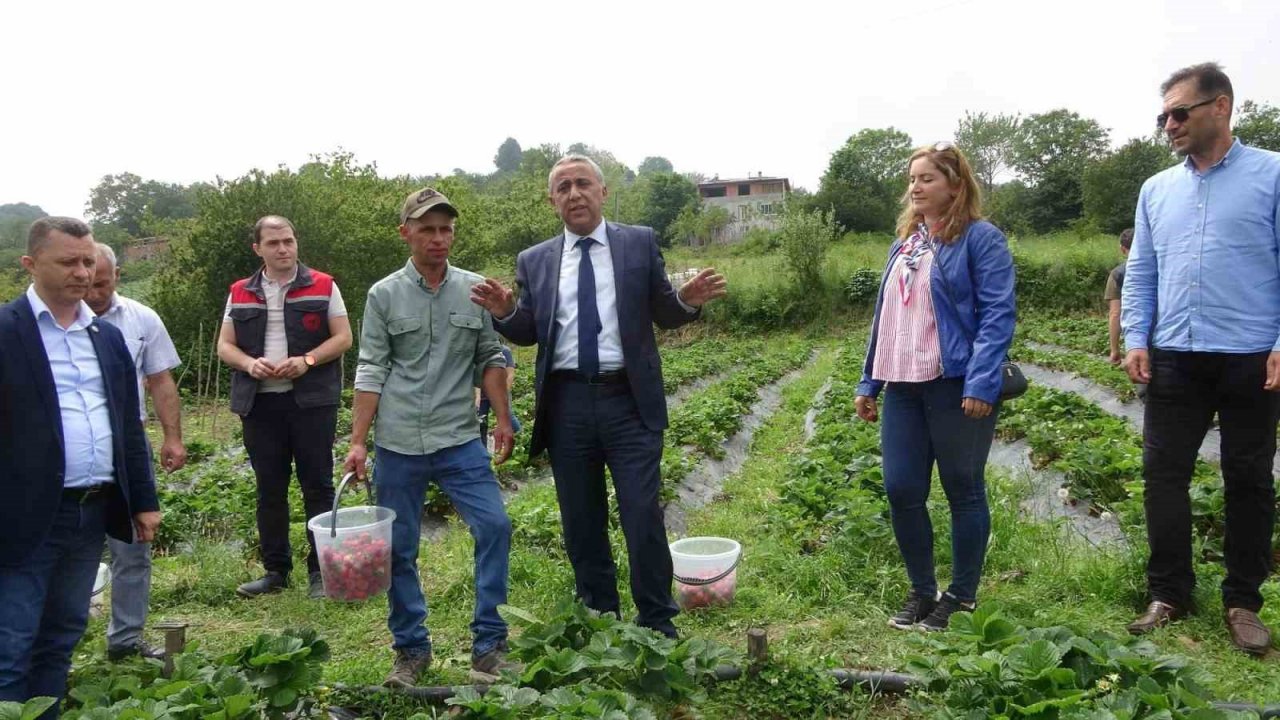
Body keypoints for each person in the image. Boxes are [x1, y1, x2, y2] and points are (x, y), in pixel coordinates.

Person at [470, 154, 726, 639]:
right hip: (566, 404)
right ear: (552, 201)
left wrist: (686, 301)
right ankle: (600, 617)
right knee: (581, 519)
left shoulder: (638, 242)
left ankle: (657, 620)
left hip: (628, 399)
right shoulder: (535, 260)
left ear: (603, 192)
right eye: (563, 187)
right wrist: (505, 312)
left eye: (583, 183)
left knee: (641, 512)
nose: (575, 194)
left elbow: (663, 311)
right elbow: (529, 331)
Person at [1122, 62, 1280, 656]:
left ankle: (1242, 602)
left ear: (1221, 107)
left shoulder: (1272, 175)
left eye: (1179, 112)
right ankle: (1169, 593)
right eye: (1163, 115)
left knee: (1248, 478)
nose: (1169, 124)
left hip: (1250, 356)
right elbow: (1142, 270)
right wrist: (1136, 336)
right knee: (1163, 476)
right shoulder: (1157, 189)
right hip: (1175, 356)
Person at [345, 188, 517, 688]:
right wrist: (357, 441)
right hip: (398, 442)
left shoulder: (474, 290)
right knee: (399, 548)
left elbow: (490, 358)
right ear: (406, 233)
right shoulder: (383, 295)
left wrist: (504, 418)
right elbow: (371, 368)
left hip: (459, 437)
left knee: (495, 526)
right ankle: (411, 650)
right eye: (427, 229)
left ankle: (489, 644)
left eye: (446, 229)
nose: (438, 238)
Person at [0, 217, 160, 716]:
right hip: (22, 516)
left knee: (63, 634)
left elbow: (128, 426)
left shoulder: (106, 338)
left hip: (90, 511)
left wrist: (144, 500)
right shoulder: (6, 332)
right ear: (30, 264)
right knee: (11, 642)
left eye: (88, 261)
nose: (82, 272)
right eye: (68, 261)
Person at [853, 142, 1016, 632]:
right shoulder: (906, 243)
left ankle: (961, 597)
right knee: (901, 488)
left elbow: (997, 314)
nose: (915, 187)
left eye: (927, 178)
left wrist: (982, 381)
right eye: (912, 179)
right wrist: (870, 380)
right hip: (902, 384)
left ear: (955, 184)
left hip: (955, 383)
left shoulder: (980, 239)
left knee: (963, 488)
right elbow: (886, 317)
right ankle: (922, 591)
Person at [216, 215, 352, 600]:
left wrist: (308, 360)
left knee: (317, 485)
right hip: (260, 404)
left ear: (296, 242)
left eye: (288, 241)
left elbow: (343, 337)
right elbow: (225, 345)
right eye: (273, 243)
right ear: (257, 249)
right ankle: (276, 572)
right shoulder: (240, 291)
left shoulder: (324, 285)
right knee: (269, 488)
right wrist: (249, 364)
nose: (283, 249)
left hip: (311, 402)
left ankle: (321, 571)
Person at [84, 243, 186, 661]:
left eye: (102, 284)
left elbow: (161, 381)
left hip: (127, 445)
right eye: (88, 284)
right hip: (72, 447)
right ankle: (57, 644)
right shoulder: (52, 324)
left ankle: (125, 641)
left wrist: (173, 437)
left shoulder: (140, 318)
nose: (94, 293)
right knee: (69, 549)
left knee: (133, 543)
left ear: (117, 276)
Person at [477, 343, 521, 446]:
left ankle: (520, 439)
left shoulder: (504, 350)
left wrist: (503, 393)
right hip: (482, 396)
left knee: (509, 418)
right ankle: (483, 449)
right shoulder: (478, 351)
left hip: (499, 393)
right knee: (481, 424)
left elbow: (510, 374)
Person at [1105, 229, 1134, 366]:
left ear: (1122, 249)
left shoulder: (1118, 274)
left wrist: (1114, 349)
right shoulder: (1164, 268)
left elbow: (1115, 313)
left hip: (1137, 337)